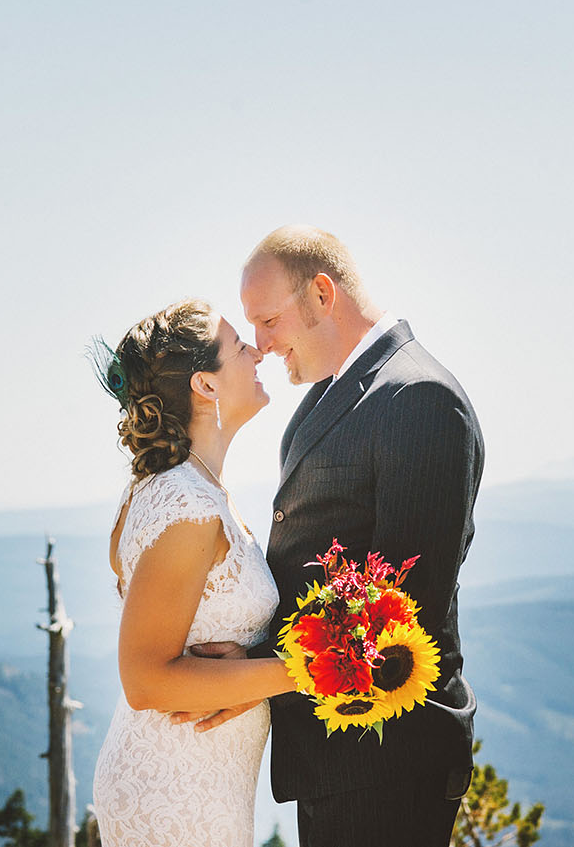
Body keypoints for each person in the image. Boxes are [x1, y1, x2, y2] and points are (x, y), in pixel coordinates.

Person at [237, 224, 485, 846]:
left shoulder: (419, 398)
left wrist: (250, 668)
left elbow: (399, 605)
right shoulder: (330, 396)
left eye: (268, 321)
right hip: (339, 758)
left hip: (388, 760)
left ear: (323, 294)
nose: (260, 346)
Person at [88, 299, 295, 847]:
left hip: (202, 776)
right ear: (205, 385)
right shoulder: (187, 505)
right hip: (173, 787)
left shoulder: (192, 489)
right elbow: (146, 678)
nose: (257, 350)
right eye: (237, 346)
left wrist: (256, 669)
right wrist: (304, 670)